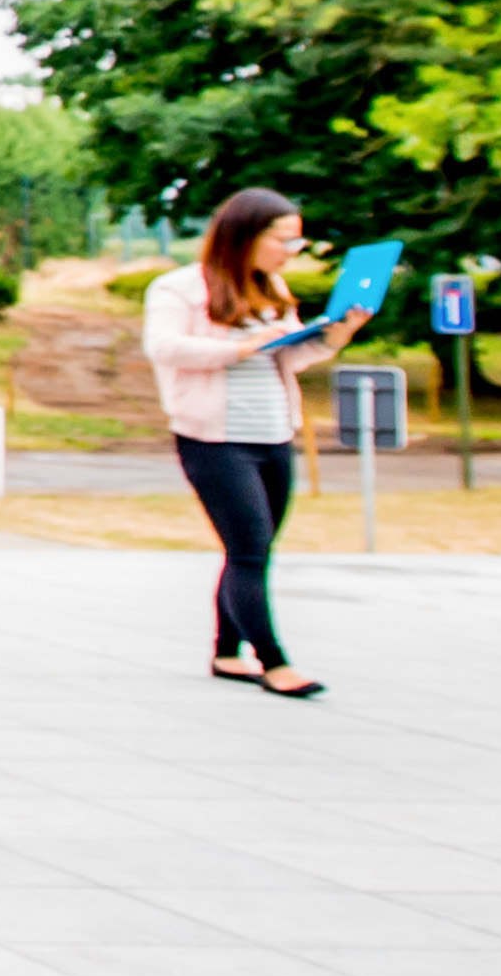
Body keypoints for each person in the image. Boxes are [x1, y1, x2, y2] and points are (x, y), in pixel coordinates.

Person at [141, 186, 348, 696]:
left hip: (273, 432)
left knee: (253, 549)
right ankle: (274, 662)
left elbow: (288, 358)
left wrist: (334, 336)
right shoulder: (180, 289)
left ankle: (227, 651)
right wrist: (242, 346)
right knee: (250, 549)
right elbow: (164, 348)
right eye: (284, 240)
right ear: (245, 235)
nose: (289, 252)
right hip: (215, 439)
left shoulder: (271, 287)